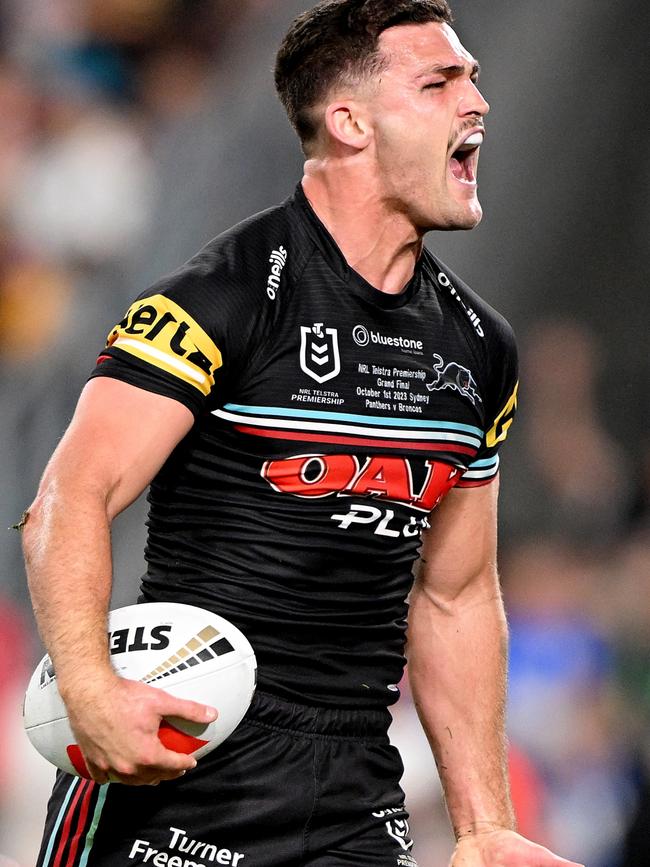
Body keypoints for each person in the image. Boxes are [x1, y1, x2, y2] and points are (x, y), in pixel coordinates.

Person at [21, 2, 583, 866]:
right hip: (180, 764)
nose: (477, 101)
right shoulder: (220, 297)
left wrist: (483, 824)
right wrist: (90, 686)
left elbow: (456, 594)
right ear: (350, 121)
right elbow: (70, 496)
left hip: (352, 794)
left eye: (473, 77)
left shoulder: (479, 348)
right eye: (440, 82)